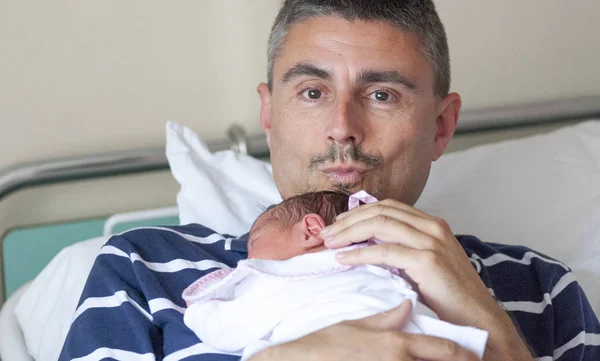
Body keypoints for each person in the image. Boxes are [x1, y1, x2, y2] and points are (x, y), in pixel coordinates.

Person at [59, 1, 600, 360]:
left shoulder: (541, 288)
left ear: (440, 126)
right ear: (269, 117)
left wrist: (495, 334)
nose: (343, 127)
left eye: (382, 95)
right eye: (313, 92)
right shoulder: (143, 271)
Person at [181, 190, 489, 361]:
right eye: (312, 94)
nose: (247, 258)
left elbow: (225, 327)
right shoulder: (396, 268)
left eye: (254, 240)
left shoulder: (277, 277)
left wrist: (203, 306)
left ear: (311, 230)